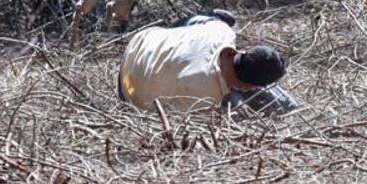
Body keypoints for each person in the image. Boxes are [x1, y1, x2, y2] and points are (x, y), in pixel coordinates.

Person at [118, 10, 285, 112]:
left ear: (246, 50)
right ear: (248, 87)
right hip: (129, 90)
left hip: (141, 42)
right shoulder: (205, 98)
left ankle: (201, 20)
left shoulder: (222, 31)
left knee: (204, 22)